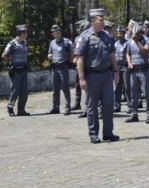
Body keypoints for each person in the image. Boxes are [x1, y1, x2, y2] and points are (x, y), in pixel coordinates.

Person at [74, 8, 120, 144]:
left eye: (103, 19)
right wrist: (81, 79)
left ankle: (108, 133)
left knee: (108, 104)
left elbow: (112, 55)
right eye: (101, 20)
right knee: (92, 106)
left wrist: (116, 71)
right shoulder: (84, 37)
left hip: (106, 75)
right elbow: (80, 59)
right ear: (93, 21)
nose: (103, 22)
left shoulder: (107, 36)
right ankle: (93, 133)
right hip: (92, 76)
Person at [125, 21, 149, 124]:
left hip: (144, 70)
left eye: (137, 33)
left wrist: (137, 41)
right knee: (134, 93)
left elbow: (146, 51)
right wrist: (129, 62)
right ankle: (134, 114)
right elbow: (128, 54)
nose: (135, 35)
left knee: (146, 93)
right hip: (134, 70)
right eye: (134, 33)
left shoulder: (148, 40)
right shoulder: (129, 41)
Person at [2, 24, 30, 116]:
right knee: (15, 90)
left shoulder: (25, 42)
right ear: (21, 33)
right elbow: (4, 55)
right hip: (16, 71)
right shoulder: (12, 43)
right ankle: (10, 107)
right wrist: (11, 62)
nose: (26, 34)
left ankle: (21, 110)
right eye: (25, 32)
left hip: (24, 70)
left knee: (24, 91)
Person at [47, 25, 73, 115]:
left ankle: (67, 108)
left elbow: (72, 52)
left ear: (60, 32)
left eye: (58, 32)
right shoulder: (52, 43)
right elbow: (49, 53)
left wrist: (68, 62)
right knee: (55, 89)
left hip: (63, 67)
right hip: (55, 68)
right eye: (55, 33)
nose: (57, 34)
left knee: (65, 88)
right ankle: (55, 107)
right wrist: (49, 56)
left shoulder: (66, 42)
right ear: (52, 34)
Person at [114, 26, 130, 113]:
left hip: (125, 67)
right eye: (117, 33)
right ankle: (117, 106)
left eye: (120, 33)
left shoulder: (127, 43)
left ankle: (130, 106)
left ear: (124, 34)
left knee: (127, 87)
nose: (119, 35)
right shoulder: (115, 44)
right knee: (117, 87)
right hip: (117, 68)